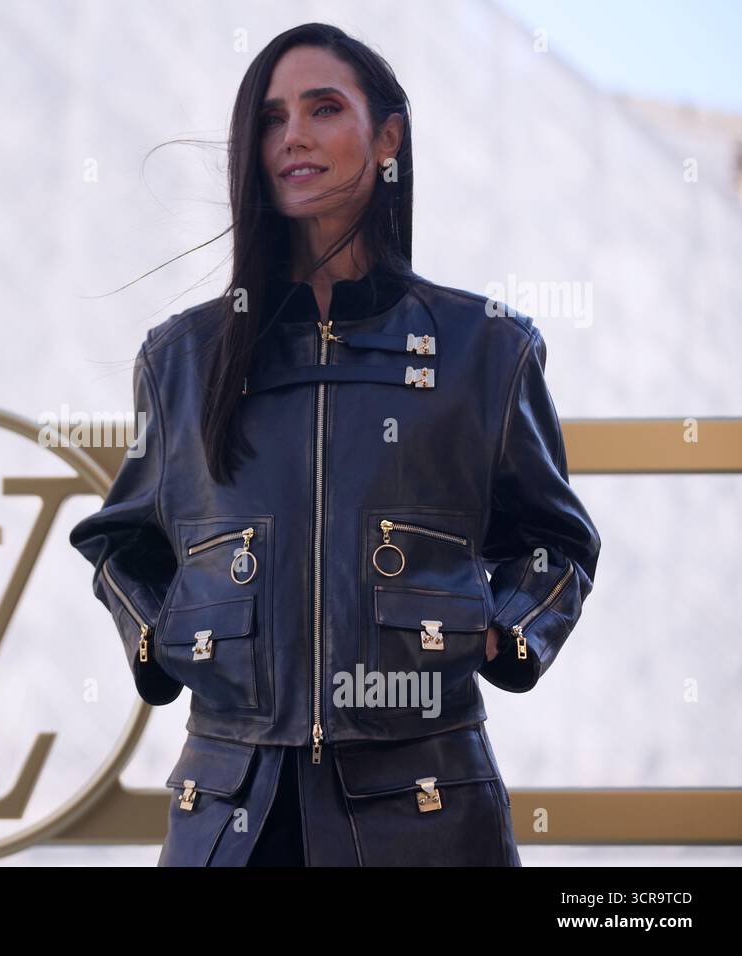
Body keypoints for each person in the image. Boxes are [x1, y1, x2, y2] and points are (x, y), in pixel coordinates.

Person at [69, 22, 600, 867]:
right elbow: (119, 542)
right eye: (273, 118)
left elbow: (558, 541)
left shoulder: (484, 348)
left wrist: (500, 632)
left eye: (324, 109)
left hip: (425, 806)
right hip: (231, 813)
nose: (295, 137)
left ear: (387, 136)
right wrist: (172, 635)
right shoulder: (183, 357)